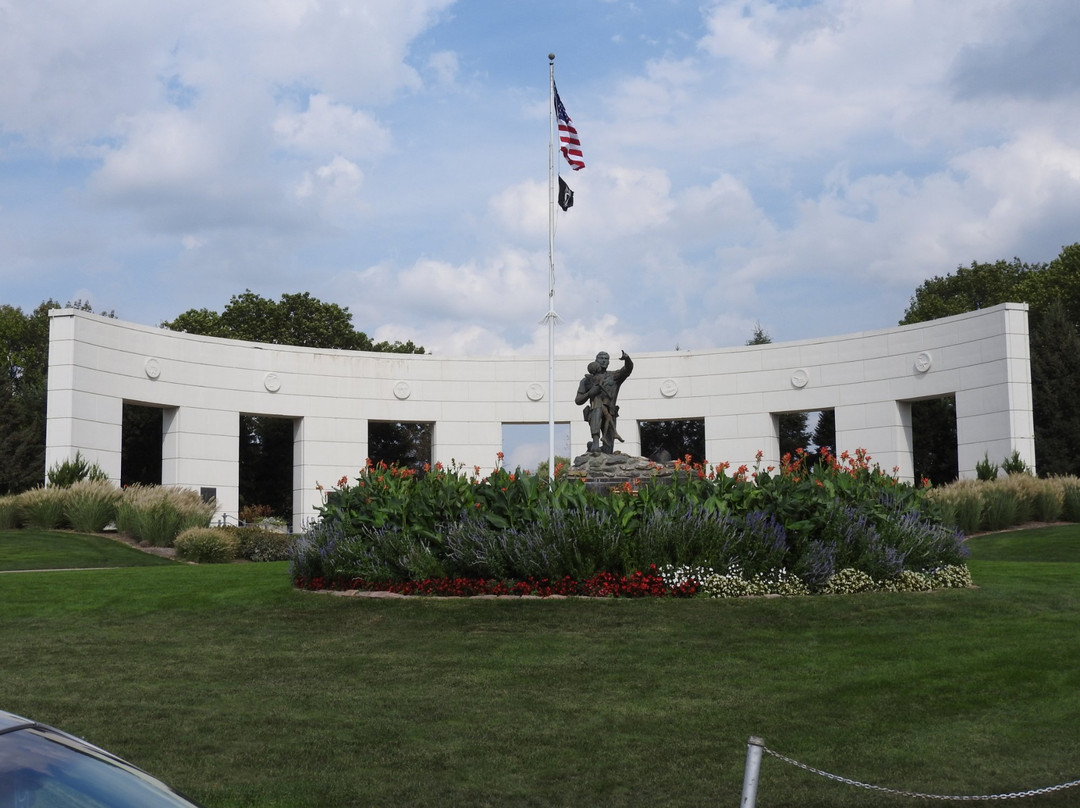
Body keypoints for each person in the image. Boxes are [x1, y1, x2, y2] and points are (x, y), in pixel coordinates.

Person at [575, 350, 633, 453]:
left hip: (610, 412)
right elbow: (578, 400)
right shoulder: (587, 380)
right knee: (597, 410)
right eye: (601, 358)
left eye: (606, 359)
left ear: (609, 362)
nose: (603, 361)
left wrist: (627, 359)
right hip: (595, 412)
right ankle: (595, 442)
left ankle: (592, 446)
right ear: (596, 360)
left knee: (608, 450)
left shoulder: (614, 376)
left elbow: (627, 369)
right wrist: (590, 393)